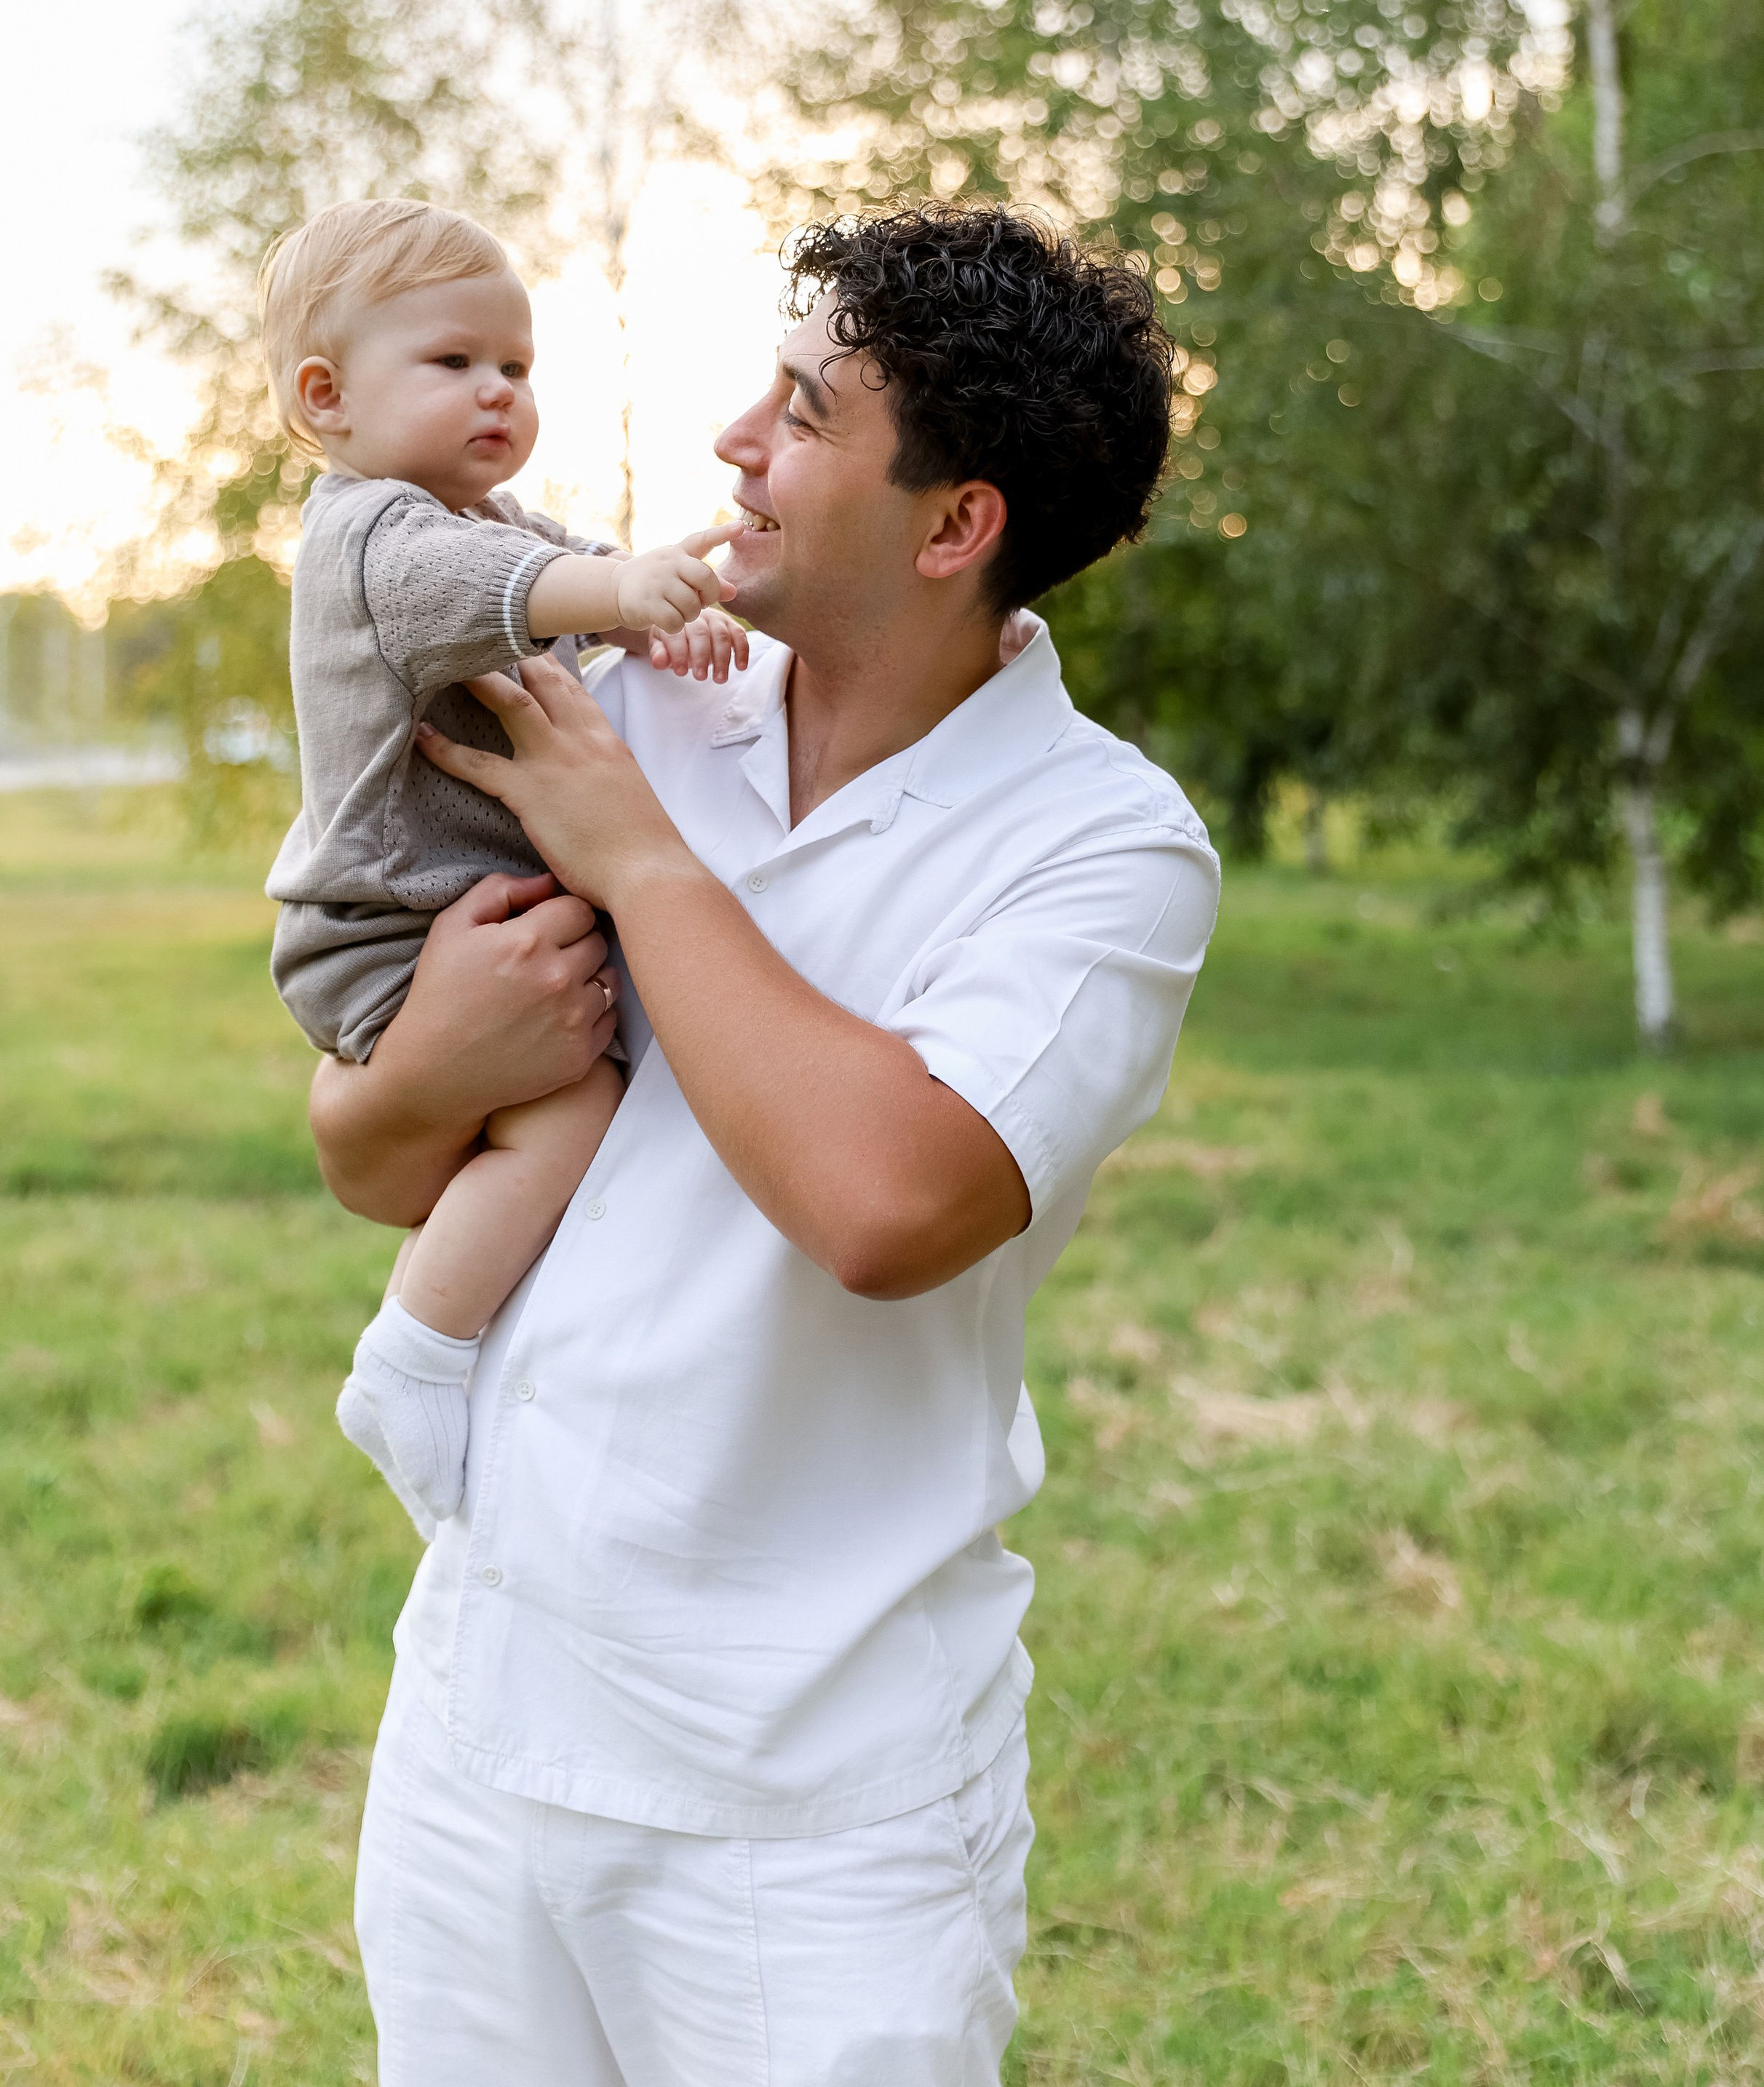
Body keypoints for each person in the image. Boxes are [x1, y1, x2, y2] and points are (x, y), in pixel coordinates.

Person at [311, 202, 1222, 2086]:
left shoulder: (1103, 847)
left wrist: (636, 862)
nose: (738, 438)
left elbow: (884, 1206)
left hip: (816, 1809)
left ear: (954, 522)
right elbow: (377, 1158)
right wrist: (427, 1069)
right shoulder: (617, 689)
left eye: (805, 409)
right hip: (488, 1715)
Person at [261, 198, 747, 1534]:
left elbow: (567, 563)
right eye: (456, 362)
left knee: (555, 1112)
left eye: (519, 369)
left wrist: (673, 603)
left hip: (449, 922)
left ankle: (464, 1338)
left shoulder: (487, 514)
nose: (499, 392)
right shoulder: (370, 536)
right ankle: (415, 1355)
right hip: (384, 930)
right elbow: (509, 588)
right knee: (568, 1110)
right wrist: (623, 595)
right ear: (329, 396)